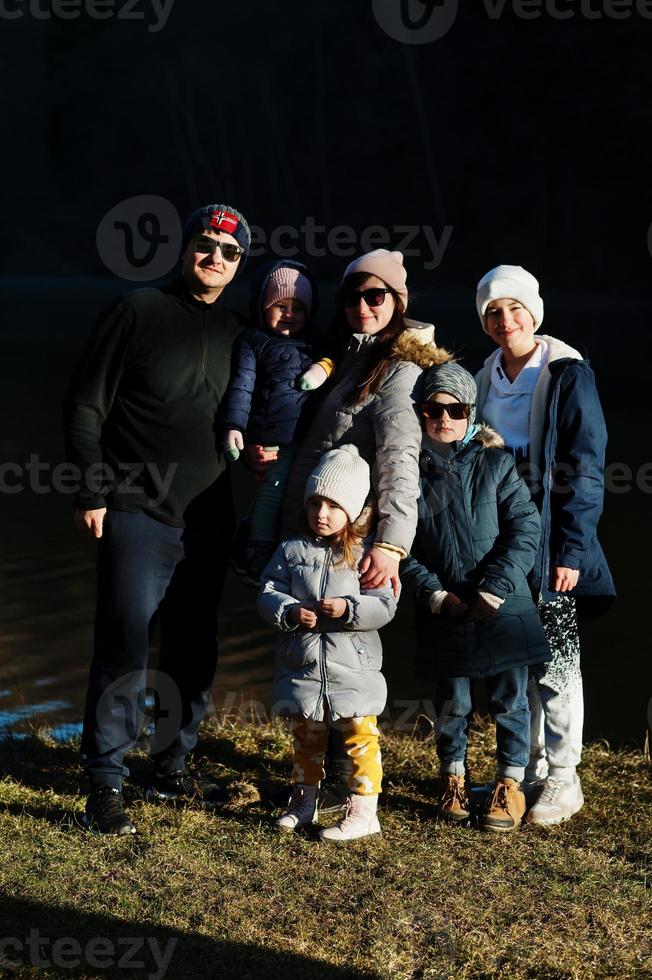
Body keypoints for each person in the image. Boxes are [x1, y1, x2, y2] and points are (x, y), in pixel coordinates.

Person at [64, 202, 251, 834]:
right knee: (124, 645)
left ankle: (172, 765)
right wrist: (92, 492)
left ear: (238, 265)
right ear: (185, 248)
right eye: (206, 245)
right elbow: (86, 404)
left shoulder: (238, 331)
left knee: (194, 647)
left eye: (229, 252)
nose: (215, 258)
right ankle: (105, 781)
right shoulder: (136, 310)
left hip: (208, 518)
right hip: (137, 509)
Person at [271, 248, 451, 808]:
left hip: (353, 541)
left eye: (376, 297)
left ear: (398, 302)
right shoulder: (348, 357)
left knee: (347, 667)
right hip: (314, 529)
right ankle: (313, 788)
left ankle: (359, 798)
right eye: (353, 297)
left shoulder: (399, 371)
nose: (362, 306)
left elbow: (400, 461)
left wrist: (392, 545)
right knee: (311, 655)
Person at [474, 265, 615, 825]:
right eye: (492, 312)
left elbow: (586, 465)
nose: (505, 321)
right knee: (517, 656)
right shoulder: (484, 377)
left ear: (533, 313)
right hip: (501, 534)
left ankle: (564, 777)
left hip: (551, 534)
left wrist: (573, 551)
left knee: (557, 661)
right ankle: (527, 767)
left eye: (514, 309)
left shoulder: (566, 373)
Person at [400, 362, 551, 832]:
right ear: (420, 413)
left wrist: (496, 588)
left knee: (511, 700)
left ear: (471, 413)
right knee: (453, 702)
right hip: (446, 608)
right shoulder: (408, 475)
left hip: (504, 608)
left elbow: (526, 530)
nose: (444, 418)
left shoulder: (497, 464)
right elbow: (398, 549)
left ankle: (510, 784)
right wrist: (433, 595)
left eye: (456, 409)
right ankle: (453, 777)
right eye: (433, 409)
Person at [257, 445, 397, 841]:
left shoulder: (367, 556)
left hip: (351, 670)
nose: (322, 513)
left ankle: (364, 810)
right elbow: (267, 591)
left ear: (352, 511)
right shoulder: (290, 550)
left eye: (333, 506)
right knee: (307, 737)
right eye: (315, 503)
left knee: (359, 736)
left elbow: (385, 605)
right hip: (304, 666)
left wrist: (350, 609)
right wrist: (288, 611)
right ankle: (304, 802)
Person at [220, 259, 334, 586]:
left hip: (309, 436)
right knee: (272, 489)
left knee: (287, 494)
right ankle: (257, 552)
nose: (289, 314)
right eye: (280, 306)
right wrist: (234, 428)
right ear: (263, 306)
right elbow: (242, 387)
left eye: (298, 308)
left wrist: (321, 369)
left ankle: (250, 543)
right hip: (271, 434)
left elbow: (334, 359)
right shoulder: (253, 341)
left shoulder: (316, 340)